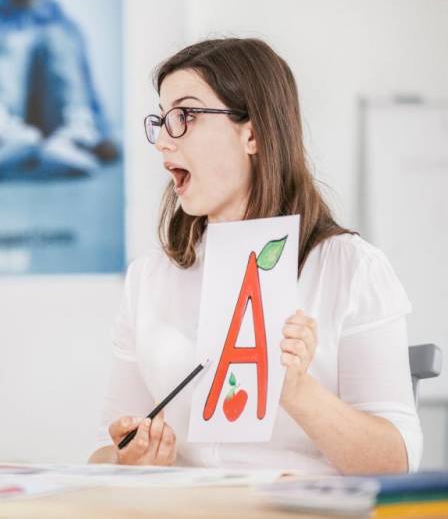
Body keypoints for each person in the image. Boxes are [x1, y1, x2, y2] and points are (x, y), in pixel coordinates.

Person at [89, 38, 421, 475]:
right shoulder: (149, 278)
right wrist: (128, 456)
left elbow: (397, 463)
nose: (163, 143)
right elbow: (102, 453)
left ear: (253, 133)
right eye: (163, 120)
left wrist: (300, 393)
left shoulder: (351, 269)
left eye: (185, 117)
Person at [0, 0, 118, 180]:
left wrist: (105, 134)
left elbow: (87, 88)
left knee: (58, 39)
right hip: (10, 130)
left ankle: (75, 138)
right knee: (10, 41)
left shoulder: (66, 28)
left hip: (55, 125)